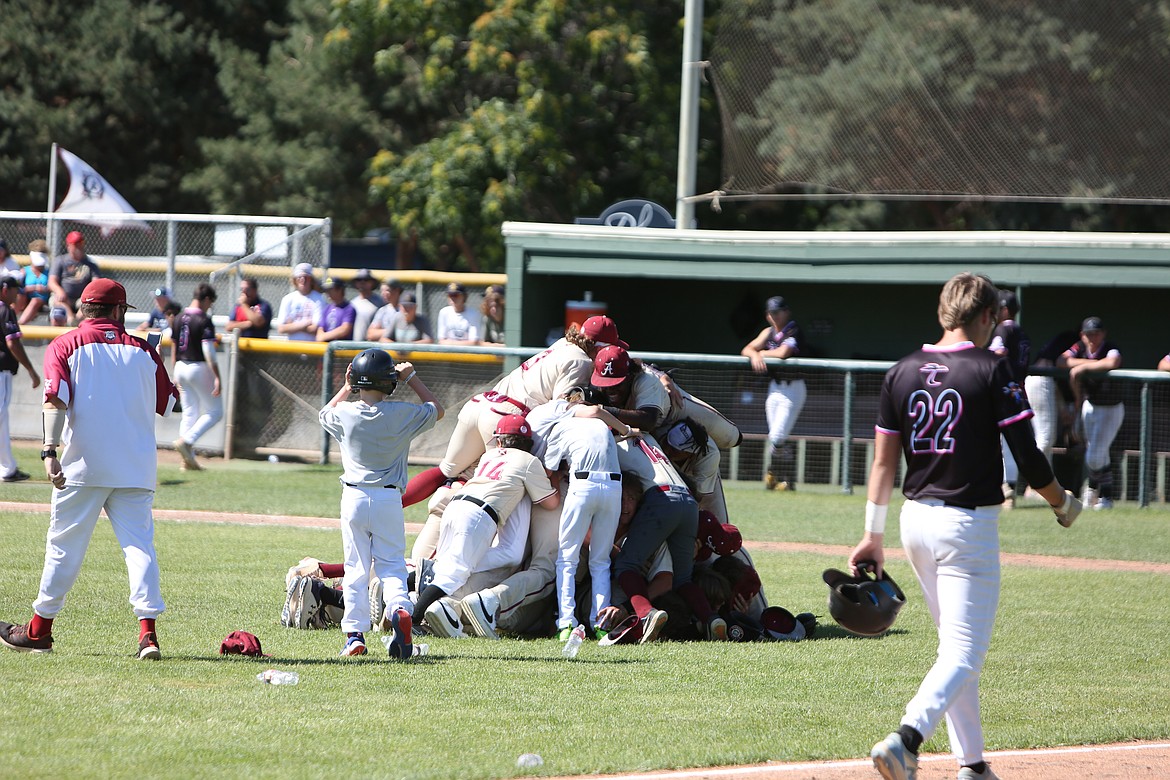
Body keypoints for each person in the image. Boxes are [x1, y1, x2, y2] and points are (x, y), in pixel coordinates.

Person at [850, 272, 1081, 780]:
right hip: (965, 524)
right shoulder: (991, 368)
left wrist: (872, 534)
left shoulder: (902, 370)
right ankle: (906, 738)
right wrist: (1062, 503)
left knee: (954, 651)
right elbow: (1028, 455)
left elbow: (884, 464)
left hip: (915, 522)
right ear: (984, 316)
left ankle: (973, 767)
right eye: (995, 318)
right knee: (964, 651)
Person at [0, 278, 179, 659]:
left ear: (84, 309)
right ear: (118, 311)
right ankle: (148, 634)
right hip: (135, 466)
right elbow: (169, 404)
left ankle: (39, 631)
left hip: (83, 465)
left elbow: (54, 399)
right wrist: (156, 359)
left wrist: (49, 450)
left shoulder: (64, 344)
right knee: (139, 548)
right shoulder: (144, 352)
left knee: (64, 547)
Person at [400, 314, 624, 508]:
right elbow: (561, 410)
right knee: (496, 487)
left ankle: (390, 506)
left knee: (446, 471)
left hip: (482, 403)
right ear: (599, 347)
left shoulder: (563, 344)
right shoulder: (581, 361)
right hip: (506, 417)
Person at [319, 348, 443, 659]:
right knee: (392, 565)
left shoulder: (346, 414)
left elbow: (324, 413)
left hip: (355, 497)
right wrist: (411, 377)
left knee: (356, 567)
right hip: (389, 497)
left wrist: (347, 386)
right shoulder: (402, 413)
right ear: (389, 383)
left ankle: (354, 636)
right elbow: (436, 409)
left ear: (357, 382)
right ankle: (400, 606)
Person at [411, 414, 560, 634]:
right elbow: (550, 503)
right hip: (478, 515)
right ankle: (414, 618)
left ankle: (429, 573)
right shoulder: (528, 460)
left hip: (456, 505)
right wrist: (552, 478)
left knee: (479, 561)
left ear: (498, 440)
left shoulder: (489, 456)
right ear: (528, 444)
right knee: (455, 572)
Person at [526, 386, 632, 640]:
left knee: (567, 559)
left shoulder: (560, 426)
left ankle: (566, 623)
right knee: (601, 560)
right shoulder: (601, 425)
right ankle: (601, 623)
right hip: (613, 487)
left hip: (583, 486)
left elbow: (549, 469)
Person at [740, 296, 806, 491]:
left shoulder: (793, 329)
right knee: (774, 437)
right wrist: (754, 353)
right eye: (770, 313)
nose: (773, 316)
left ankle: (776, 472)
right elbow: (747, 349)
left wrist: (760, 354)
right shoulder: (768, 332)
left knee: (777, 437)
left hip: (793, 387)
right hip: (775, 387)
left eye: (777, 312)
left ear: (786, 312)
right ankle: (783, 479)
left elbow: (783, 353)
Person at [1058, 317, 1124, 510]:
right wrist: (1085, 361)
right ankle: (1106, 497)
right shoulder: (1080, 346)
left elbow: (1113, 361)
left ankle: (1092, 489)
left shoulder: (1109, 347)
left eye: (1096, 333)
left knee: (1095, 455)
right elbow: (1062, 360)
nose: (1092, 337)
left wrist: (1084, 366)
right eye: (1088, 334)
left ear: (1103, 333)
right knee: (1098, 453)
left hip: (1112, 408)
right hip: (1090, 404)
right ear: (1082, 335)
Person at [172, 284, 223, 472]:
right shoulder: (203, 319)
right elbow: (208, 350)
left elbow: (175, 347)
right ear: (207, 299)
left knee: (189, 412)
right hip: (198, 366)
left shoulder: (178, 318)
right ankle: (187, 441)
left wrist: (174, 371)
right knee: (215, 412)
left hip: (180, 367)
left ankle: (187, 460)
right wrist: (217, 376)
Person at [987, 290, 1030, 507]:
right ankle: (1009, 486)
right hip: (1017, 389)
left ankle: (1005, 488)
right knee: (1012, 441)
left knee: (999, 441)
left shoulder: (1003, 328)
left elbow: (997, 352)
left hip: (1003, 389)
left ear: (1004, 309)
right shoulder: (1020, 331)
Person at [1, 276, 41, 482]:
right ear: (5, 289)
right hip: (1, 373)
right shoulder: (5, 309)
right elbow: (12, 344)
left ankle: (6, 467)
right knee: (1, 420)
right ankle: (7, 469)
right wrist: (32, 370)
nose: (18, 294)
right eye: (16, 290)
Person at [48, 231, 101, 325]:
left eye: (81, 243)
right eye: (75, 244)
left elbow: (96, 284)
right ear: (68, 245)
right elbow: (52, 282)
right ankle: (67, 324)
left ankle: (77, 326)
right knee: (58, 313)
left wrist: (87, 296)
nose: (79, 247)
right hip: (63, 298)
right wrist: (59, 290)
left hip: (81, 299)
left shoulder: (90, 264)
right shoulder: (60, 261)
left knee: (90, 309)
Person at [274, 262, 324, 340]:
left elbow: (316, 328)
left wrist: (292, 326)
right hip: (292, 348)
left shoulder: (319, 299)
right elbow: (281, 329)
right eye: (299, 277)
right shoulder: (288, 299)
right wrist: (306, 323)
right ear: (295, 280)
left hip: (312, 347)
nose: (302, 280)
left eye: (306, 277)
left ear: (311, 280)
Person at [18, 241, 52, 325]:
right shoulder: (24, 271)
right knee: (20, 295)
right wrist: (32, 288)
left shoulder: (49, 272)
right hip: (25, 300)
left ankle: (20, 324)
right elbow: (19, 288)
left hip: (42, 301)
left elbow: (53, 286)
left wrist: (45, 289)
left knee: (35, 301)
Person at [316, 277, 356, 342]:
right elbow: (320, 330)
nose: (327, 292)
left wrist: (324, 336)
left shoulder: (349, 308)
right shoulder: (327, 309)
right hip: (325, 349)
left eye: (330, 289)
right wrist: (321, 336)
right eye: (326, 290)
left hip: (341, 349)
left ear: (340, 290)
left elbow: (344, 329)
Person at [349, 269, 382, 341]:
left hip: (372, 346)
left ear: (372, 283)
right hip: (353, 346)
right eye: (359, 280)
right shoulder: (352, 303)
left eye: (366, 280)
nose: (362, 282)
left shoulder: (380, 302)